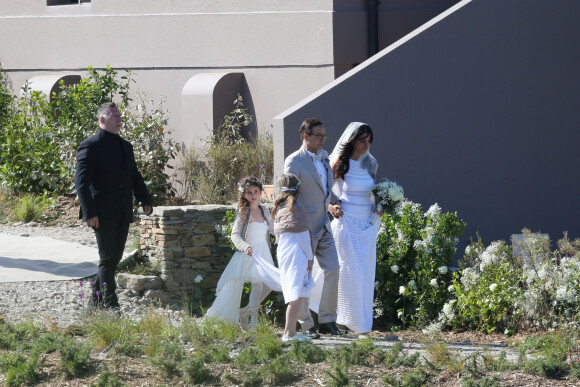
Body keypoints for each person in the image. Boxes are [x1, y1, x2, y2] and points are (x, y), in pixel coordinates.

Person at [75, 102, 153, 311]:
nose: (119, 119)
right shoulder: (90, 146)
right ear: (102, 119)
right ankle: (111, 303)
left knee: (114, 258)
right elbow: (81, 183)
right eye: (114, 115)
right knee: (107, 257)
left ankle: (95, 303)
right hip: (101, 212)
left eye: (119, 115)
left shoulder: (125, 146)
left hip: (122, 209)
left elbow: (134, 176)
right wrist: (89, 213)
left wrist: (145, 198)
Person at [284, 118, 343, 338]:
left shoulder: (325, 158)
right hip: (303, 229)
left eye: (324, 136)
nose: (323, 140)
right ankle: (306, 323)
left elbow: (323, 190)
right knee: (304, 277)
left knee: (334, 269)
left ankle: (327, 320)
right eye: (319, 136)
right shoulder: (293, 162)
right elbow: (289, 197)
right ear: (305, 136)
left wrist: (332, 204)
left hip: (324, 225)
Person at [206, 176, 280, 330]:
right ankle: (252, 325)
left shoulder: (265, 210)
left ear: (261, 193)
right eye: (249, 192)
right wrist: (244, 246)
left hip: (263, 253)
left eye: (256, 191)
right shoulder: (244, 213)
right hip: (250, 253)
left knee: (269, 285)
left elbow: (271, 228)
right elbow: (235, 235)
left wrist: (283, 231)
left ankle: (245, 313)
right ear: (244, 194)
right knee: (258, 284)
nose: (253, 195)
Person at [329, 122, 381, 336]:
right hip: (347, 221)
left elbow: (372, 192)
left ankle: (360, 324)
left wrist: (380, 206)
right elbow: (324, 191)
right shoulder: (340, 163)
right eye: (362, 140)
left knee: (364, 271)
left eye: (369, 141)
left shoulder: (372, 163)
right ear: (352, 140)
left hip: (366, 225)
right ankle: (341, 321)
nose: (366, 144)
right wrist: (331, 207)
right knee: (349, 271)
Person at [271, 173, 315, 342]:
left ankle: (291, 332)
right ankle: (289, 333)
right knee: (295, 296)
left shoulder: (280, 210)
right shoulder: (297, 210)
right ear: (298, 190)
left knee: (297, 294)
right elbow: (304, 238)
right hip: (297, 256)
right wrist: (310, 259)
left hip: (285, 254)